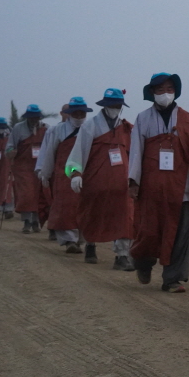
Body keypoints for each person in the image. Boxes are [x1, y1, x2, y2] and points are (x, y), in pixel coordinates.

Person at [127, 73, 189, 293]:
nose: (165, 93)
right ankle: (143, 263)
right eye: (160, 89)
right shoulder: (143, 118)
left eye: (169, 88)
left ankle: (172, 279)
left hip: (183, 189)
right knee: (148, 231)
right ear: (152, 93)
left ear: (175, 91)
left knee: (180, 235)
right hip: (151, 188)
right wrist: (134, 181)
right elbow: (136, 153)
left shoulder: (186, 118)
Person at [66, 88, 135, 269]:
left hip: (122, 184)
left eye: (118, 105)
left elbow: (134, 153)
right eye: (112, 105)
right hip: (95, 182)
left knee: (125, 217)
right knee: (93, 215)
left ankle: (121, 256)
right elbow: (78, 152)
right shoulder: (91, 126)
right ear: (104, 105)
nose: (115, 108)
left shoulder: (126, 128)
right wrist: (75, 173)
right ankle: (90, 245)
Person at [39, 98, 90, 253]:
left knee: (83, 207)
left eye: (82, 112)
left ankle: (81, 238)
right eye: (76, 112)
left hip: (85, 173)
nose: (79, 116)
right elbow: (49, 153)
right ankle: (69, 241)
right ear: (70, 114)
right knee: (64, 208)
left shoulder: (90, 128)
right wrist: (45, 173)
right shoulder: (57, 130)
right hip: (64, 174)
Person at [7, 105, 49, 234]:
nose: (34, 119)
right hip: (23, 167)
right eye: (31, 117)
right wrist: (10, 152)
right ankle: (26, 221)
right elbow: (9, 146)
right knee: (26, 194)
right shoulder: (18, 128)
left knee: (38, 194)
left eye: (36, 117)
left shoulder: (46, 128)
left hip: (40, 165)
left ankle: (36, 221)